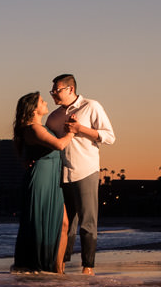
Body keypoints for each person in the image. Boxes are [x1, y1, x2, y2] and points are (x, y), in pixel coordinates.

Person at [44, 74, 116, 275]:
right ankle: (61, 266)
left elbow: (110, 137)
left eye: (57, 90)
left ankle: (88, 267)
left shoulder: (91, 106)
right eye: (52, 91)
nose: (53, 95)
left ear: (70, 89)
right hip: (61, 174)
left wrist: (80, 129)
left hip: (86, 170)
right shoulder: (53, 118)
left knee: (87, 222)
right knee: (66, 224)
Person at [9, 91, 70, 275]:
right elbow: (59, 145)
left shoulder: (36, 128)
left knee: (63, 223)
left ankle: (56, 268)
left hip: (50, 177)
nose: (45, 103)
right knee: (41, 223)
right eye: (42, 101)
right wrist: (72, 132)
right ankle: (41, 267)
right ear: (34, 109)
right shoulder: (34, 128)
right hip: (42, 179)